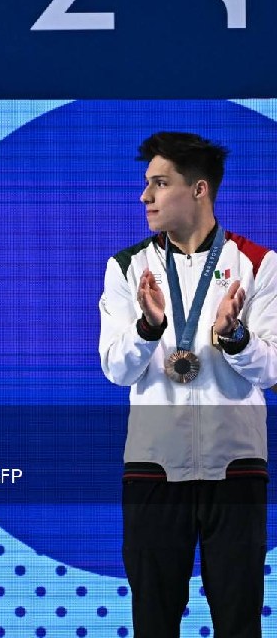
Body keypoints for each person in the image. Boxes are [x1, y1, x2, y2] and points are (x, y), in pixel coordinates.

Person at [99, 131, 276, 638]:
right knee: (154, 622)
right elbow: (117, 369)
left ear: (199, 190)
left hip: (236, 468)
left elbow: (274, 370)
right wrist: (147, 329)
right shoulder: (127, 268)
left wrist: (235, 337)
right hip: (153, 469)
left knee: (239, 624)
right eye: (146, 184)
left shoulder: (260, 265)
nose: (145, 197)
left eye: (160, 183)